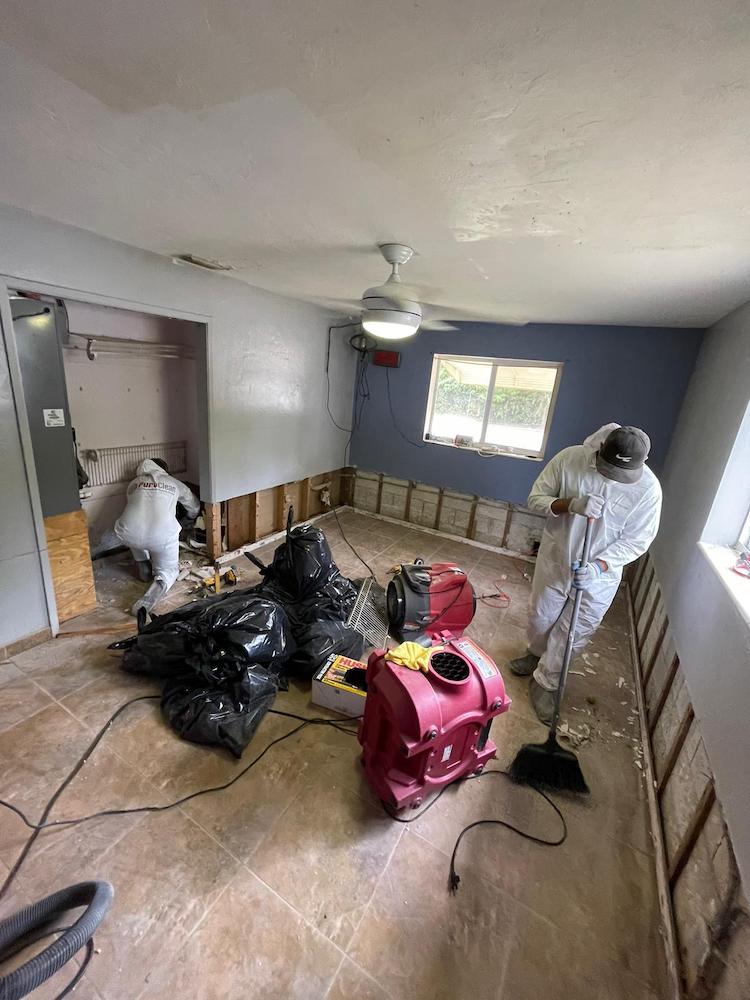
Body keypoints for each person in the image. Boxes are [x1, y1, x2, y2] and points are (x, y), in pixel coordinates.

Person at [510, 424, 662, 725]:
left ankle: (546, 683)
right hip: (557, 558)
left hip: (599, 575)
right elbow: (536, 497)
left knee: (574, 631)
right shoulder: (570, 459)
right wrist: (571, 504)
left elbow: (638, 540)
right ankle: (535, 652)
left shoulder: (649, 491)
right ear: (600, 449)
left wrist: (599, 567)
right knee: (541, 615)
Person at [114, 458, 200, 617]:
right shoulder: (172, 482)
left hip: (127, 532)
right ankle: (155, 589)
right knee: (169, 570)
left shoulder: (133, 483)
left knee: (136, 529)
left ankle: (143, 563)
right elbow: (192, 504)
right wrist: (193, 516)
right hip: (162, 535)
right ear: (164, 470)